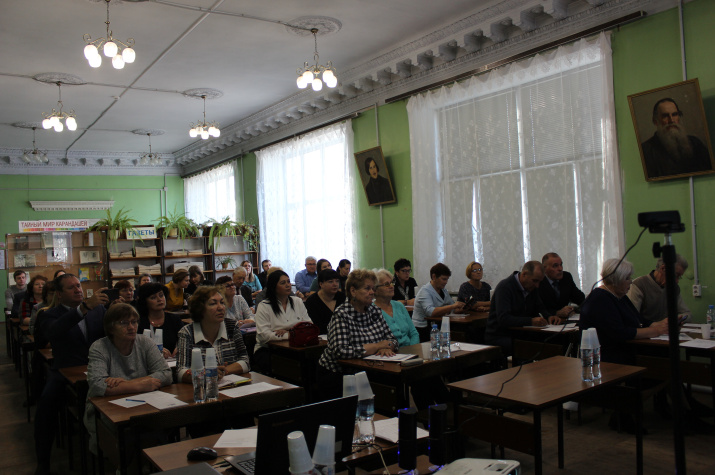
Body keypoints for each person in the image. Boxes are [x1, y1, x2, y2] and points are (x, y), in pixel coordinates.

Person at [34, 274, 109, 475]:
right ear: (59, 294)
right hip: (65, 370)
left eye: (79, 285)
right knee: (46, 406)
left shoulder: (98, 310)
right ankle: (43, 461)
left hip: (98, 368)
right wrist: (82, 309)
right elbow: (53, 332)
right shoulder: (49, 314)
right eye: (71, 288)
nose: (78, 290)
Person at [84, 303, 171, 453]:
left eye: (134, 322)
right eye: (124, 323)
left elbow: (165, 374)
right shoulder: (99, 347)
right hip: (107, 411)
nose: (131, 327)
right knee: (128, 435)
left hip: (143, 405)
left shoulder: (145, 342)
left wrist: (127, 383)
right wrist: (142, 384)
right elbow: (97, 384)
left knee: (160, 426)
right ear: (111, 327)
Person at [316, 269, 398, 400]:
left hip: (370, 369)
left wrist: (387, 347)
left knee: (393, 390)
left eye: (373, 288)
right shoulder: (342, 314)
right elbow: (341, 351)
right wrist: (377, 346)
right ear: (353, 291)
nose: (372, 292)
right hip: (338, 375)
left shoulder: (374, 310)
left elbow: (392, 339)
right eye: (367, 288)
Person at [176, 286, 251, 385]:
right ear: (200, 309)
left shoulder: (232, 327)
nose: (220, 308)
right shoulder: (187, 332)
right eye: (213, 303)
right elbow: (181, 372)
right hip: (201, 388)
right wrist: (204, 374)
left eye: (222, 303)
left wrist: (220, 371)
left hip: (230, 386)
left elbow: (245, 362)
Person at [485, 261, 559, 355]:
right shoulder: (505, 287)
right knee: (534, 348)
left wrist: (549, 316)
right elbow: (503, 319)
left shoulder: (531, 288)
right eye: (535, 281)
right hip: (500, 335)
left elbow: (540, 307)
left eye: (539, 282)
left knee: (554, 342)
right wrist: (530, 321)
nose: (537, 285)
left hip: (521, 333)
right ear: (524, 274)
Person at [253, 270, 313, 374]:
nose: (288, 285)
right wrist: (292, 334)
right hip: (268, 350)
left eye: (288, 281)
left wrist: (288, 332)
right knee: (288, 365)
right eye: (283, 283)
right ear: (273, 286)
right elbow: (264, 336)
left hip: (296, 347)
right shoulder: (264, 306)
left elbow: (309, 327)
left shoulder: (297, 301)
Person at [641, 98, 712, 179]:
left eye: (674, 114)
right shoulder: (646, 151)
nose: (671, 120)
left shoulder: (695, 143)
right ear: (655, 121)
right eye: (665, 116)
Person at [627, 255, 691, 323]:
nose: (677, 281)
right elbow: (631, 319)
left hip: (665, 328)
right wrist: (658, 325)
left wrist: (674, 320)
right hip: (646, 329)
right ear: (663, 268)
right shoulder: (639, 285)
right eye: (676, 275)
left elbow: (687, 314)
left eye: (679, 277)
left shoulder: (673, 288)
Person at [412, 263, 465, 341]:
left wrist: (461, 308)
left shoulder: (443, 291)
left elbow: (452, 308)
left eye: (447, 279)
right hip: (422, 328)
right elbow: (430, 312)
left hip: (436, 325)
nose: (446, 282)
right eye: (443, 279)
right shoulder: (424, 291)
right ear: (434, 277)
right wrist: (453, 306)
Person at [136, 283, 187, 359]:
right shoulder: (140, 322)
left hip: (172, 361)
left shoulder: (174, 319)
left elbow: (184, 340)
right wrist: (155, 350)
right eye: (153, 297)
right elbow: (137, 348)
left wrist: (181, 348)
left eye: (161, 295)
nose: (159, 299)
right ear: (145, 302)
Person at [538, 253, 586, 318]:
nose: (560, 269)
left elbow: (580, 299)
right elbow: (538, 310)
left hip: (566, 320)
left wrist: (574, 309)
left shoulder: (566, 277)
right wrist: (556, 313)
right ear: (544, 269)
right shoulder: (539, 281)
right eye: (555, 266)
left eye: (561, 265)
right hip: (547, 321)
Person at [304, 269, 345, 334]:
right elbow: (313, 326)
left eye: (337, 281)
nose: (335, 284)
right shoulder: (312, 301)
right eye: (330, 282)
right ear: (321, 284)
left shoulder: (343, 298)